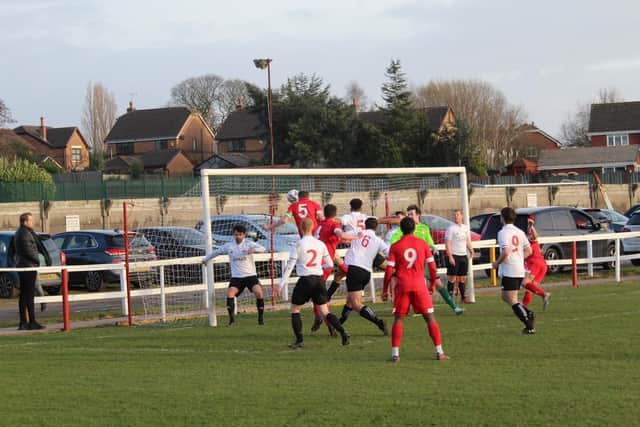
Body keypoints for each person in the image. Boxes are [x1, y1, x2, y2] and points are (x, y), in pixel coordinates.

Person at [382, 217, 449, 362]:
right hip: (419, 285)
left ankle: (395, 354)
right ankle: (440, 352)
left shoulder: (395, 246)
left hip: (402, 286)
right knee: (430, 318)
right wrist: (432, 285)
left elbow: (388, 271)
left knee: (399, 319)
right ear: (414, 229)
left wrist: (385, 289)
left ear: (401, 229)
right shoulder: (423, 244)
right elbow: (432, 266)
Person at [276, 218, 350, 348]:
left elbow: (290, 265)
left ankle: (299, 341)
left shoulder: (299, 244)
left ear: (301, 228)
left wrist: (281, 284)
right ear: (313, 228)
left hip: (305, 279)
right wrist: (318, 268)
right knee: (325, 312)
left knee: (295, 309)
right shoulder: (320, 244)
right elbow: (330, 264)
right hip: (318, 279)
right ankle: (343, 332)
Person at [390, 205, 464, 315]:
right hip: (409, 263)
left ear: (418, 215)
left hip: (423, 262)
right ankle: (400, 308)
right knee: (404, 284)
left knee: (438, 283)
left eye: (412, 214)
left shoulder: (424, 228)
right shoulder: (404, 229)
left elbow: (429, 242)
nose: (409, 216)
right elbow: (393, 241)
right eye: (408, 214)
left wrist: (433, 247)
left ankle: (454, 307)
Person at [310, 204, 361, 334]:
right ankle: (327, 322)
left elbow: (327, 239)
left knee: (318, 296)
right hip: (324, 264)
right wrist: (356, 237)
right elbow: (340, 234)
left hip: (316, 263)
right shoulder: (334, 225)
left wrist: (342, 241)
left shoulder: (319, 225)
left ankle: (322, 319)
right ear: (335, 213)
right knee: (319, 296)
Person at [202, 224, 267, 325]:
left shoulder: (249, 244)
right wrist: (206, 259)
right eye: (236, 234)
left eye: (240, 234)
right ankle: (232, 320)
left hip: (250, 276)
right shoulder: (229, 246)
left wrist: (253, 250)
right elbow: (217, 252)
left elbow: (263, 248)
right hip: (237, 277)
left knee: (259, 293)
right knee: (230, 294)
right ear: (233, 234)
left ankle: (261, 319)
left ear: (244, 235)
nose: (238, 237)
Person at [339, 217, 389, 335]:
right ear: (376, 228)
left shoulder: (358, 232)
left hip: (355, 269)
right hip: (366, 272)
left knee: (356, 303)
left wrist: (352, 238)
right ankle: (338, 325)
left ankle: (379, 322)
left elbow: (343, 236)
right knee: (350, 301)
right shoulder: (378, 240)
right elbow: (389, 252)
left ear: (365, 226)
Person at [492, 207, 536, 334]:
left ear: (503, 218)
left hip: (510, 269)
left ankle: (529, 324)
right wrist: (518, 257)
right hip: (519, 268)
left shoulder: (503, 233)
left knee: (510, 298)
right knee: (506, 296)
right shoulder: (519, 232)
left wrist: (496, 263)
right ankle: (528, 313)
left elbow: (506, 251)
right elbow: (529, 251)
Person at [11, 212, 51, 330]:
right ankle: (31, 322)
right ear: (25, 221)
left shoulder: (21, 232)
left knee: (24, 295)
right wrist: (37, 261)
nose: (32, 222)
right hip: (28, 266)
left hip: (24, 266)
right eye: (31, 220)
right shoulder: (24, 233)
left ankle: (24, 322)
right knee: (28, 295)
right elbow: (29, 251)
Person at [444, 209, 474, 304]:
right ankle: (449, 297)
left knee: (463, 277)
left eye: (457, 215)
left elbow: (467, 240)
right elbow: (447, 243)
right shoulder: (451, 229)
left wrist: (471, 249)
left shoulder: (465, 228)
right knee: (452, 277)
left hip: (463, 255)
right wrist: (450, 256)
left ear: (462, 216)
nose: (456, 216)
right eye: (455, 215)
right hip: (454, 255)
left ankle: (463, 297)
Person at [522, 215, 551, 310]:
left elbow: (534, 236)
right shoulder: (526, 237)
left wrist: (531, 226)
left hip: (535, 263)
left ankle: (544, 294)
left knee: (525, 282)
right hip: (542, 264)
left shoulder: (528, 237)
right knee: (531, 287)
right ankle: (524, 307)